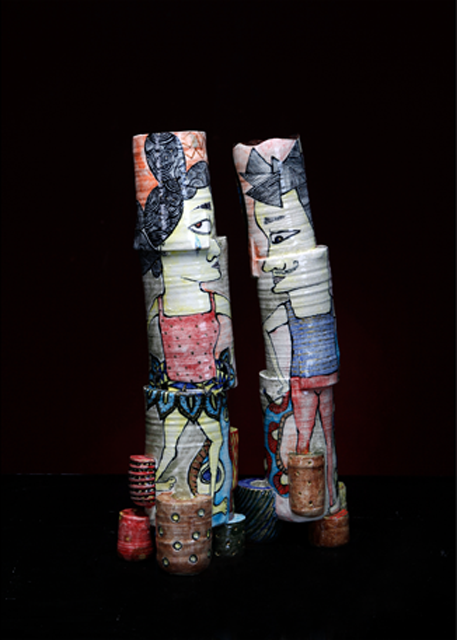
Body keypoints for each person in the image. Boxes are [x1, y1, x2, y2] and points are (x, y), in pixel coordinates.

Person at [134, 132, 235, 514]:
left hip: (209, 391)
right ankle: (166, 502)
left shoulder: (214, 300)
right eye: (199, 228)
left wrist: (225, 372)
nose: (212, 249)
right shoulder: (161, 304)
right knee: (171, 447)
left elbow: (226, 351)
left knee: (216, 443)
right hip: (176, 390)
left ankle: (216, 502)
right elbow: (155, 349)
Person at [242, 141, 339, 510]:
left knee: (315, 439)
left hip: (310, 373)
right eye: (267, 241)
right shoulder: (289, 291)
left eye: (279, 239)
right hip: (299, 377)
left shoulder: (308, 285)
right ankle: (303, 501)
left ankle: (323, 500)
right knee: (304, 441)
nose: (271, 258)